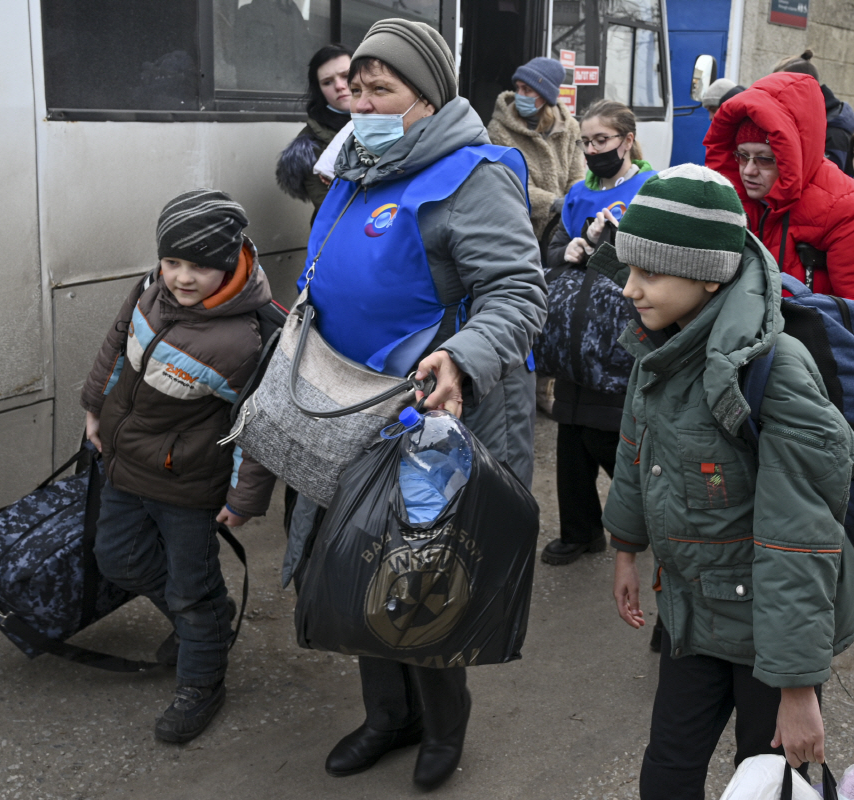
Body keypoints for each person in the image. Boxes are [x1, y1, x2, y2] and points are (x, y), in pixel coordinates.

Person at [284, 19, 546, 791]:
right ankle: (387, 716)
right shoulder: (356, 168)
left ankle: (442, 725)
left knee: (420, 573)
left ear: (427, 97)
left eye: (382, 89)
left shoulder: (473, 176)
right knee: (355, 558)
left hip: (432, 416)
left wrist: (462, 357)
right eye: (355, 88)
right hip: (348, 409)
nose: (361, 102)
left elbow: (518, 294)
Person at [601, 164, 854, 800]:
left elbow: (798, 537)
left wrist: (796, 688)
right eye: (628, 269)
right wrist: (626, 549)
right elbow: (636, 450)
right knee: (667, 773)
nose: (630, 289)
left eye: (649, 273)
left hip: (767, 632)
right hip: (692, 614)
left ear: (708, 274)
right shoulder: (659, 345)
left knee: (768, 780)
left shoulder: (773, 370)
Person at [81, 190, 278, 743]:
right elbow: (116, 345)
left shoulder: (245, 340)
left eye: (199, 266)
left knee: (193, 590)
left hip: (188, 486)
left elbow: (258, 426)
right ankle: (208, 623)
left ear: (229, 263)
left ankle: (201, 684)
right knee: (117, 558)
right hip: (125, 461)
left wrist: (242, 498)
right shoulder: (150, 289)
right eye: (172, 261)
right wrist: (95, 408)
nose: (182, 278)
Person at [536, 98, 655, 565]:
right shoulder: (577, 194)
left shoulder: (652, 190)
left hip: (619, 339)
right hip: (574, 337)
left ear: (627, 140)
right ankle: (580, 532)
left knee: (608, 435)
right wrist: (570, 248)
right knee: (570, 435)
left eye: (601, 140)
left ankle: (648, 522)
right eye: (585, 142)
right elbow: (552, 252)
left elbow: (661, 261)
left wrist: (619, 242)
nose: (591, 150)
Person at [704, 72, 854, 318]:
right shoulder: (730, 201)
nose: (749, 170)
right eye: (742, 156)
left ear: (791, 156)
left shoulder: (848, 210)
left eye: (765, 159)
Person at [488, 56, 585, 239]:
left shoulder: (570, 128)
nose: (520, 95)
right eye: (518, 88)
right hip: (517, 231)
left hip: (559, 230)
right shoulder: (499, 130)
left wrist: (575, 200)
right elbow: (509, 185)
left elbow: (577, 175)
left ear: (545, 95)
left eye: (527, 90)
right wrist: (552, 203)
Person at [275, 44, 353, 214]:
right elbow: (333, 210)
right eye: (327, 82)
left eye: (346, 76)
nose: (339, 86)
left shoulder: (395, 116)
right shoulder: (310, 145)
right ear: (319, 90)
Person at [774, 50, 854, 170]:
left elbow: (827, 176)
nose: (775, 94)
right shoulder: (805, 122)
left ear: (801, 88)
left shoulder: (834, 133)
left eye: (780, 86)